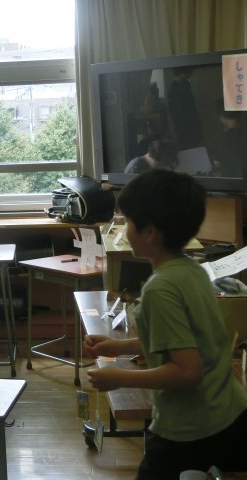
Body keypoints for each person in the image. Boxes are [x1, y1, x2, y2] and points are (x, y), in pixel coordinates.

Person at [83, 169, 247, 479]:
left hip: (189, 426)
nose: (124, 230)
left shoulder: (159, 289)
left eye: (128, 222)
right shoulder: (194, 271)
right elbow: (183, 339)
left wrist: (120, 378)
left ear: (150, 232)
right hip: (230, 410)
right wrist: (117, 347)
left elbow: (187, 371)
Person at [209, 103, 247, 178]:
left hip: (231, 181)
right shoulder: (243, 134)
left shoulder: (223, 138)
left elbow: (216, 164)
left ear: (222, 115)